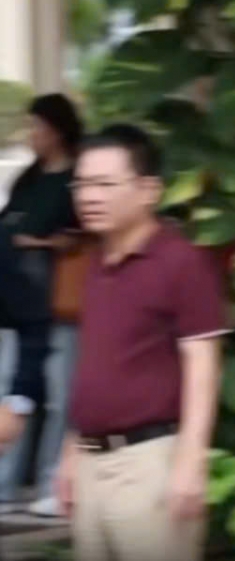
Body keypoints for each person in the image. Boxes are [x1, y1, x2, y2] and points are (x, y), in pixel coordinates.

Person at [57, 123, 228, 561]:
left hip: (150, 464)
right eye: (82, 184)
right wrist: (72, 452)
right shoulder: (95, 262)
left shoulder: (182, 262)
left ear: (148, 190)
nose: (89, 197)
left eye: (105, 184)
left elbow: (203, 366)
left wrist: (190, 463)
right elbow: (94, 365)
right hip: (91, 463)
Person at [0, 93, 85, 517]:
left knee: (59, 395)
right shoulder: (28, 179)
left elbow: (83, 235)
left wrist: (42, 242)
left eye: (38, 126)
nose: (32, 134)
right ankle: (6, 483)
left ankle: (55, 481)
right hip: (18, 301)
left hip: (59, 299)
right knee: (14, 389)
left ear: (57, 130)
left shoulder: (77, 180)